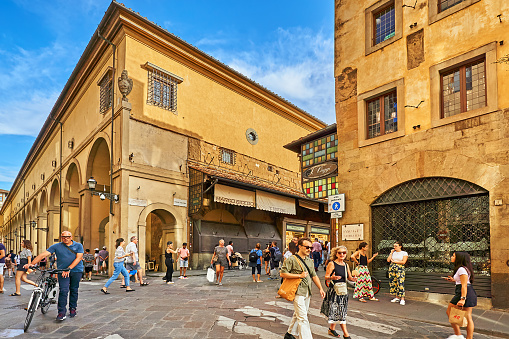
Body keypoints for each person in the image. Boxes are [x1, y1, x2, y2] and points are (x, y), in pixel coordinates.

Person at [27, 231, 84, 321]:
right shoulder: (56, 246)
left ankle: (73, 308)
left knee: (74, 289)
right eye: (64, 237)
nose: (66, 238)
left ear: (71, 237)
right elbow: (43, 254)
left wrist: (68, 269)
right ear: (61, 237)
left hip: (76, 271)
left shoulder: (78, 245)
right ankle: (61, 312)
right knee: (63, 290)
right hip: (62, 271)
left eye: (68, 237)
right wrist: (31, 264)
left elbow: (79, 258)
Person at [281, 237, 325, 339]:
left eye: (311, 247)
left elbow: (314, 275)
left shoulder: (310, 261)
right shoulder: (292, 259)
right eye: (307, 247)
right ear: (299, 247)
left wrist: (321, 288)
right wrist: (299, 276)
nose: (309, 249)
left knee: (299, 314)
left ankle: (289, 334)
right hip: (297, 291)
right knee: (303, 318)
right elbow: (282, 273)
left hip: (307, 291)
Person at [321, 246, 357, 338]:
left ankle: (331, 329)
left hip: (343, 292)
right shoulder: (332, 264)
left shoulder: (346, 265)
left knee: (338, 312)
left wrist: (353, 278)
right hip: (334, 292)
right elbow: (326, 276)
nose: (342, 254)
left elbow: (349, 277)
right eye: (339, 253)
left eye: (344, 253)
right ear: (336, 254)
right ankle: (346, 335)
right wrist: (331, 278)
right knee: (340, 313)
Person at [444, 252, 477, 339]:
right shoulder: (462, 269)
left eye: (453, 256)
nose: (451, 257)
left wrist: (463, 298)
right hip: (466, 292)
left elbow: (464, 285)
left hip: (464, 293)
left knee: (450, 312)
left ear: (459, 258)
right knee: (468, 316)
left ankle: (458, 335)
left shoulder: (462, 269)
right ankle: (462, 336)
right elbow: (461, 282)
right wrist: (453, 280)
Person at [387, 241, 408, 305]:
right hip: (392, 268)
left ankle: (402, 298)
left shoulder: (404, 253)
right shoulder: (393, 253)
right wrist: (391, 253)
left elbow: (404, 262)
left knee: (400, 282)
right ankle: (397, 297)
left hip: (400, 268)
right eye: (394, 246)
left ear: (400, 246)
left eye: (396, 246)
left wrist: (395, 261)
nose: (394, 247)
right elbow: (388, 260)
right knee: (393, 282)